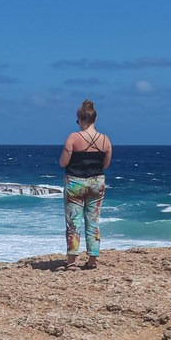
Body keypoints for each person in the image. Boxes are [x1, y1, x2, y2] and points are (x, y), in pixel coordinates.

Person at [59, 99, 111, 269]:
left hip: (75, 183)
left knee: (74, 222)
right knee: (93, 221)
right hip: (97, 183)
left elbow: (63, 163)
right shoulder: (105, 140)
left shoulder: (73, 138)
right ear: (95, 119)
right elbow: (106, 165)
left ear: (80, 120)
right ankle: (92, 260)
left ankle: (72, 261)